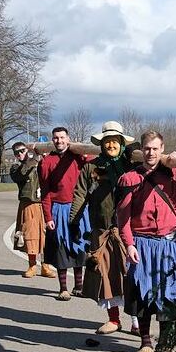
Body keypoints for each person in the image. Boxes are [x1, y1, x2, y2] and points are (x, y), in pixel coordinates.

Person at [116, 131, 176, 352]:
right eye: (147, 148)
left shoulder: (173, 172)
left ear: (162, 149)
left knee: (171, 294)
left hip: (170, 243)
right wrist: (129, 245)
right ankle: (145, 341)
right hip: (142, 244)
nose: (151, 153)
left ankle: (165, 342)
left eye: (155, 148)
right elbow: (122, 217)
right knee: (142, 295)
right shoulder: (130, 178)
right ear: (141, 150)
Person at [70, 121, 138, 335]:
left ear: (121, 143)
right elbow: (81, 194)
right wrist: (74, 220)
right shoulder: (91, 167)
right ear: (102, 144)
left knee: (131, 276)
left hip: (128, 230)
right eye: (107, 141)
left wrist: (134, 151)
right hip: (101, 229)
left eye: (114, 141)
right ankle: (114, 319)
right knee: (107, 276)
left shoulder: (131, 165)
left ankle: (137, 323)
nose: (110, 145)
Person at [38, 126, 90, 300]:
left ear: (68, 139)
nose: (59, 141)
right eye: (56, 138)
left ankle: (79, 286)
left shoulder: (78, 157)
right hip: (58, 209)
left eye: (62, 137)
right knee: (62, 248)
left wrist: (82, 153)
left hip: (79, 207)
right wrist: (48, 217)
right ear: (52, 140)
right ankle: (63, 289)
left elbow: (94, 166)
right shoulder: (47, 162)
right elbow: (44, 191)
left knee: (78, 246)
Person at [9, 143, 56, 279]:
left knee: (46, 236)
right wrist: (34, 158)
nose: (20, 154)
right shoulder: (16, 167)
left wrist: (43, 157)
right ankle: (32, 266)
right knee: (30, 236)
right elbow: (22, 174)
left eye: (22, 150)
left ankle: (45, 266)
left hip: (45, 203)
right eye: (17, 152)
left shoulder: (39, 163)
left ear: (27, 150)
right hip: (28, 204)